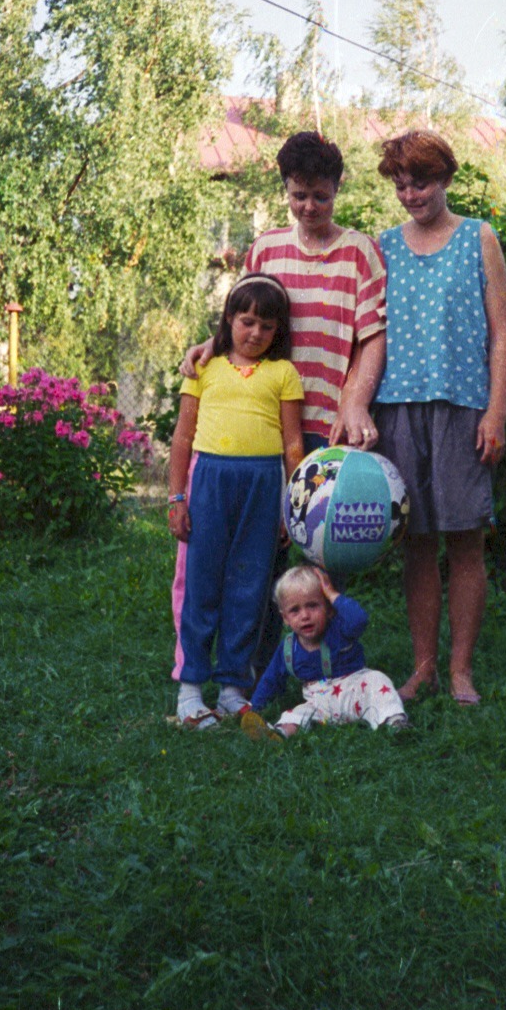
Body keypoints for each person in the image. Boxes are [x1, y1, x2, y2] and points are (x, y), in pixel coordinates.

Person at [371, 130, 506, 706]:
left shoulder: (480, 238)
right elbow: (368, 334)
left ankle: (460, 672)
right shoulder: (382, 246)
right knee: (417, 543)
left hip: (464, 407)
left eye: (420, 183)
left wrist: (496, 412)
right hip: (398, 407)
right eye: (401, 185)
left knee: (465, 541)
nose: (410, 195)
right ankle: (423, 667)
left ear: (446, 178)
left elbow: (501, 337)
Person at [180, 131, 386, 453]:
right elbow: (242, 318)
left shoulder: (360, 252)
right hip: (264, 420)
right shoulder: (266, 249)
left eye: (321, 196)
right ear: (286, 188)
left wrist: (355, 402)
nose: (309, 207)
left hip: (332, 422)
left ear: (337, 188)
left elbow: (373, 338)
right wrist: (213, 343)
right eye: (299, 195)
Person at [168, 274, 305, 729]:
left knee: (249, 587)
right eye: (246, 322)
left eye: (267, 326)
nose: (255, 333)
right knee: (203, 583)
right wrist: (177, 498)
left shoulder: (283, 373)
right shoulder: (204, 368)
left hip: (263, 486)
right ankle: (190, 689)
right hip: (210, 481)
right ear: (229, 320)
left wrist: (291, 506)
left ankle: (231, 687)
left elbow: (292, 445)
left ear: (277, 331)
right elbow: (183, 438)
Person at [242, 564, 407, 736]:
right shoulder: (289, 648)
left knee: (377, 680)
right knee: (295, 714)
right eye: (295, 610)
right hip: (318, 703)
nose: (305, 616)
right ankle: (280, 734)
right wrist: (255, 707)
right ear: (285, 618)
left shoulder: (339, 630)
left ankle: (395, 722)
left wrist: (332, 593)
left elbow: (359, 619)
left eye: (313, 606)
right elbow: (271, 679)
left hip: (355, 693)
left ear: (329, 609)